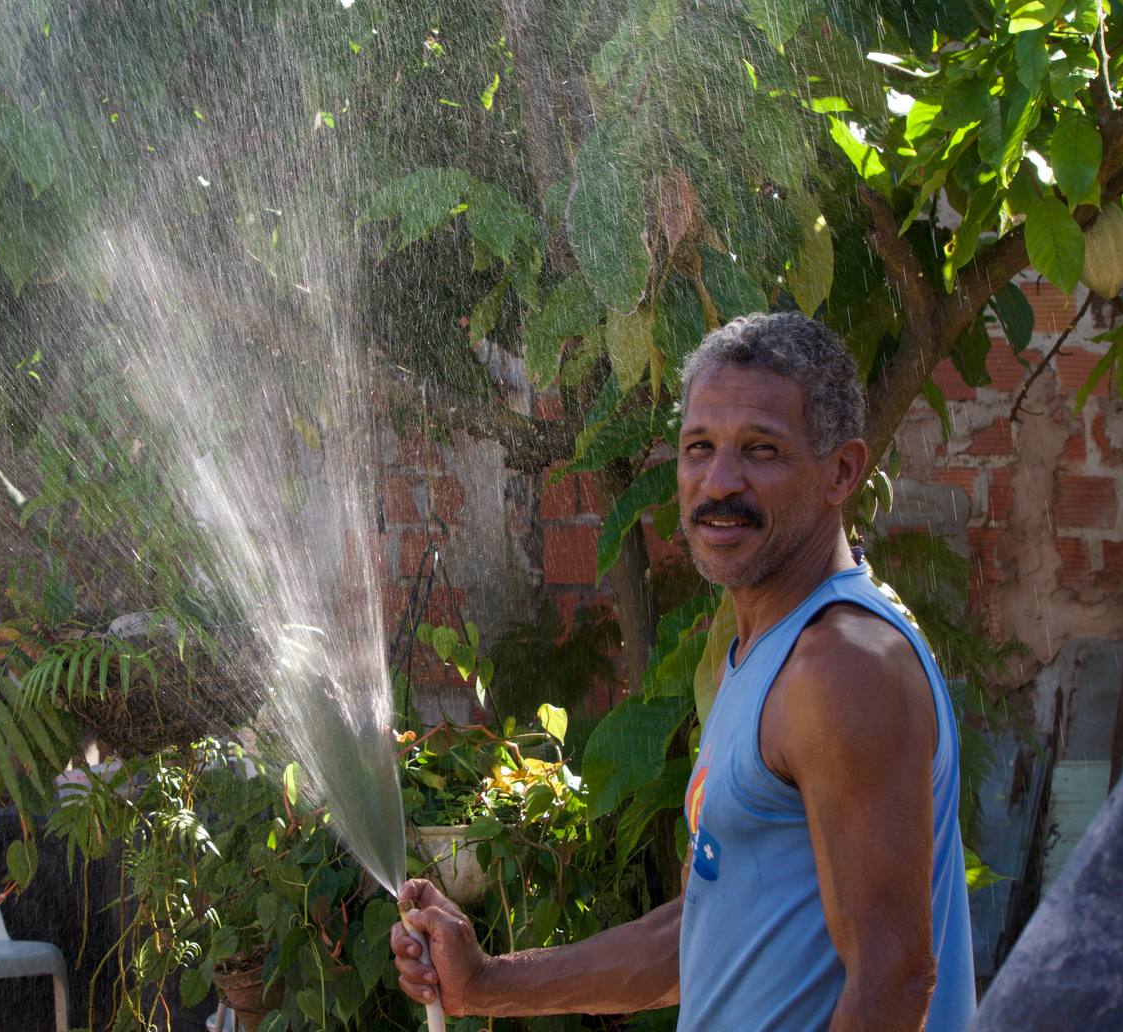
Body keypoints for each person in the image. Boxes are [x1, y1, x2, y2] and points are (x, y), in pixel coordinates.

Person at [391, 312, 975, 1032]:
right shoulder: (764, 651)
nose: (718, 480)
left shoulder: (842, 665)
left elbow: (895, 980)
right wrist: (486, 983)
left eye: (760, 450)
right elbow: (704, 930)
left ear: (842, 471)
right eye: (699, 447)